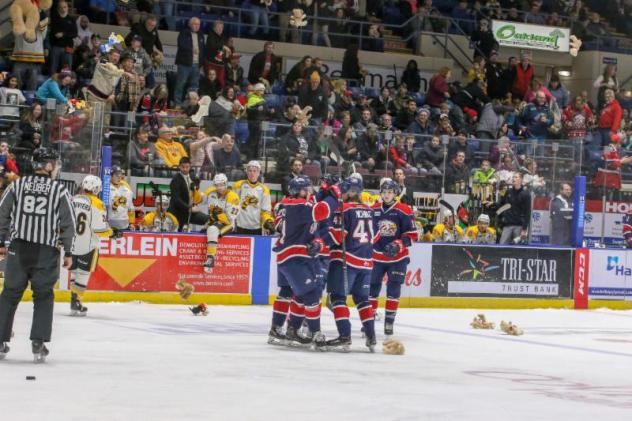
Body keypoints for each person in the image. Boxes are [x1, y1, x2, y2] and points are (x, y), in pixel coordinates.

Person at [0, 148, 75, 362]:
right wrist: (68, 251)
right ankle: (38, 342)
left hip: (18, 249)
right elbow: (68, 222)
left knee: (10, 294)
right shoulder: (59, 190)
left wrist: (0, 242)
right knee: (43, 295)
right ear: (48, 165)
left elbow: (2, 214)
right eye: (54, 163)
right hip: (46, 251)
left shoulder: (17, 185)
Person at [268, 176, 328, 347]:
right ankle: (309, 331)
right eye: (306, 189)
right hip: (295, 255)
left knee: (286, 291)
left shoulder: (283, 204)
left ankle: (277, 328)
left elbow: (279, 226)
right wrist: (329, 193)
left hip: (284, 252)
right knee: (308, 292)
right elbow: (322, 212)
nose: (309, 191)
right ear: (298, 191)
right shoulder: (302, 206)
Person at [325, 176, 377, 351]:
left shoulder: (344, 209)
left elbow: (336, 237)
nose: (343, 194)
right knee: (362, 299)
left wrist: (324, 230)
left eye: (346, 190)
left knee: (338, 297)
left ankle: (344, 336)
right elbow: (374, 236)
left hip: (347, 260)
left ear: (352, 192)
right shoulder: (369, 210)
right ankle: (371, 336)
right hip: (367, 262)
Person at [370, 178, 417, 336]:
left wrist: (398, 245)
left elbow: (412, 235)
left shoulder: (404, 210)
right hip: (376, 257)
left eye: (390, 192)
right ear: (381, 193)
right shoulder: (373, 209)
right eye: (384, 192)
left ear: (395, 193)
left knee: (393, 290)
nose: (387, 195)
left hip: (397, 259)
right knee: (372, 290)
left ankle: (389, 323)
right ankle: (368, 323)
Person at [69, 175, 114, 316]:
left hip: (70, 243)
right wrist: (112, 233)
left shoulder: (72, 199)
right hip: (87, 244)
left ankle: (73, 300)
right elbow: (100, 229)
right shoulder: (97, 203)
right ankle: (76, 300)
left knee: (74, 272)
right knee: (83, 273)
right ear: (95, 188)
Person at [203, 173, 240, 271]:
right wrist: (196, 190)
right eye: (217, 185)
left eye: (222, 184)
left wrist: (219, 214)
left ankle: (211, 258)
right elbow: (198, 201)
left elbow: (231, 218)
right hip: (213, 222)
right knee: (202, 232)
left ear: (226, 184)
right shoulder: (211, 194)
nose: (220, 187)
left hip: (228, 224)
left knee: (212, 230)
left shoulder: (233, 196)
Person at [486, 172, 531, 245]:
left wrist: (524, 229)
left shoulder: (526, 194)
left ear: (521, 180)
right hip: (507, 225)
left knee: (518, 249)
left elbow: (527, 212)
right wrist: (493, 203)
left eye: (516, 177)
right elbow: (502, 203)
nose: (514, 179)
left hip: (519, 226)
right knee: (502, 245)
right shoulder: (508, 191)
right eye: (513, 177)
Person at [168, 157, 209, 231]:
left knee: (208, 220)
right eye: (183, 167)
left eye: (187, 167)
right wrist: (189, 208)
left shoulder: (192, 176)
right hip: (178, 212)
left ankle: (202, 235)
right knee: (180, 232)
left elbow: (195, 191)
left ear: (190, 166)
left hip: (190, 211)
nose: (185, 169)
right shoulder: (175, 179)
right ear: (179, 166)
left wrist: (195, 204)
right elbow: (176, 199)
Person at [233, 160, 274, 235]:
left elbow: (266, 210)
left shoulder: (264, 189)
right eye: (250, 171)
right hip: (240, 226)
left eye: (255, 171)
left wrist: (268, 221)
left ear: (258, 173)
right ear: (247, 172)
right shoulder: (238, 185)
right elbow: (233, 205)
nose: (252, 173)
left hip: (256, 227)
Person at [174, 17, 205, 106]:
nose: (197, 26)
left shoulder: (201, 35)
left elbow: (202, 50)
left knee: (194, 86)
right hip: (185, 64)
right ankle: (177, 104)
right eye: (195, 24)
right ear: (189, 24)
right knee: (180, 84)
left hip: (196, 64)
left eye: (198, 24)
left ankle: (192, 104)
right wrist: (192, 49)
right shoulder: (184, 33)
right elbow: (181, 45)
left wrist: (201, 63)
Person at [49, 1, 77, 74]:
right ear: (58, 9)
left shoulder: (72, 19)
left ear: (67, 8)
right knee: (53, 68)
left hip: (68, 47)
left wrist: (63, 34)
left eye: (65, 7)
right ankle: (52, 84)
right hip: (56, 47)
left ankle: (66, 85)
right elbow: (52, 33)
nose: (63, 9)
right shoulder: (54, 19)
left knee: (66, 70)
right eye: (61, 7)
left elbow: (74, 34)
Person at [108, 166, 135, 231]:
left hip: (124, 225)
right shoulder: (106, 188)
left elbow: (131, 208)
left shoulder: (127, 189)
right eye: (116, 175)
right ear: (111, 176)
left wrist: (131, 223)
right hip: (109, 225)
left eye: (120, 175)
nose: (119, 177)